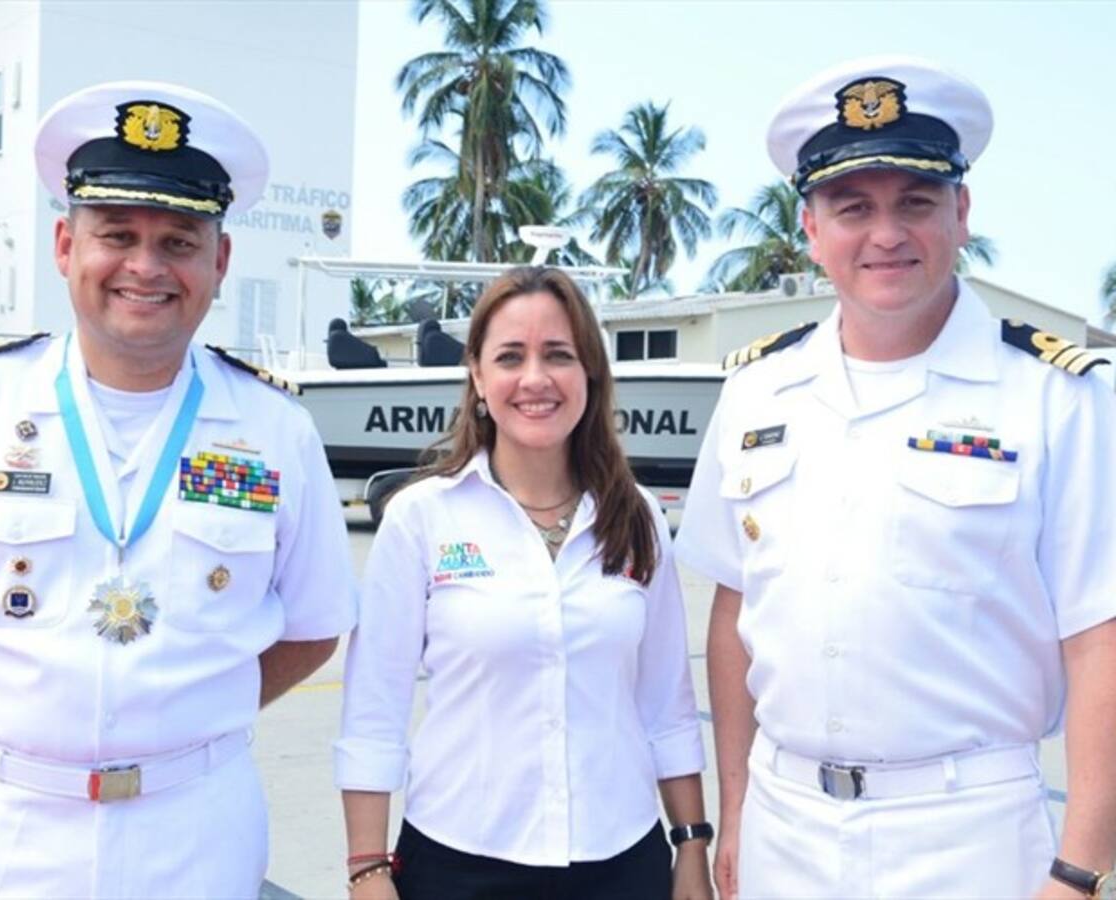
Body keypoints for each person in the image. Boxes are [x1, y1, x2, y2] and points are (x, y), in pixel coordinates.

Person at [675, 55, 1116, 900]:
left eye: (915, 202)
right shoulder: (756, 391)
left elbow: (1101, 638)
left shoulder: (1057, 399)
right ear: (811, 229)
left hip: (970, 837)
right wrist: (737, 812)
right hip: (784, 827)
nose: (886, 234)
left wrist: (1080, 869)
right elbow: (736, 614)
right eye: (853, 207)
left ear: (962, 213)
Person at [0, 81, 356, 898]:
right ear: (64, 246)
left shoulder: (275, 429)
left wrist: (189, 711)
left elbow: (315, 625)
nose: (145, 268)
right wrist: (21, 709)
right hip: (2, 830)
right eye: (116, 234)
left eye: (179, 241)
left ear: (220, 262)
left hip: (195, 829)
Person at [335, 266, 712, 900]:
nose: (535, 378)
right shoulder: (422, 517)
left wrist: (692, 844)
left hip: (622, 859)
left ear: (590, 374)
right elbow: (374, 709)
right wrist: (367, 870)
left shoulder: (638, 516)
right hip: (459, 862)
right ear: (478, 377)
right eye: (510, 356)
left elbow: (666, 703)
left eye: (558, 355)